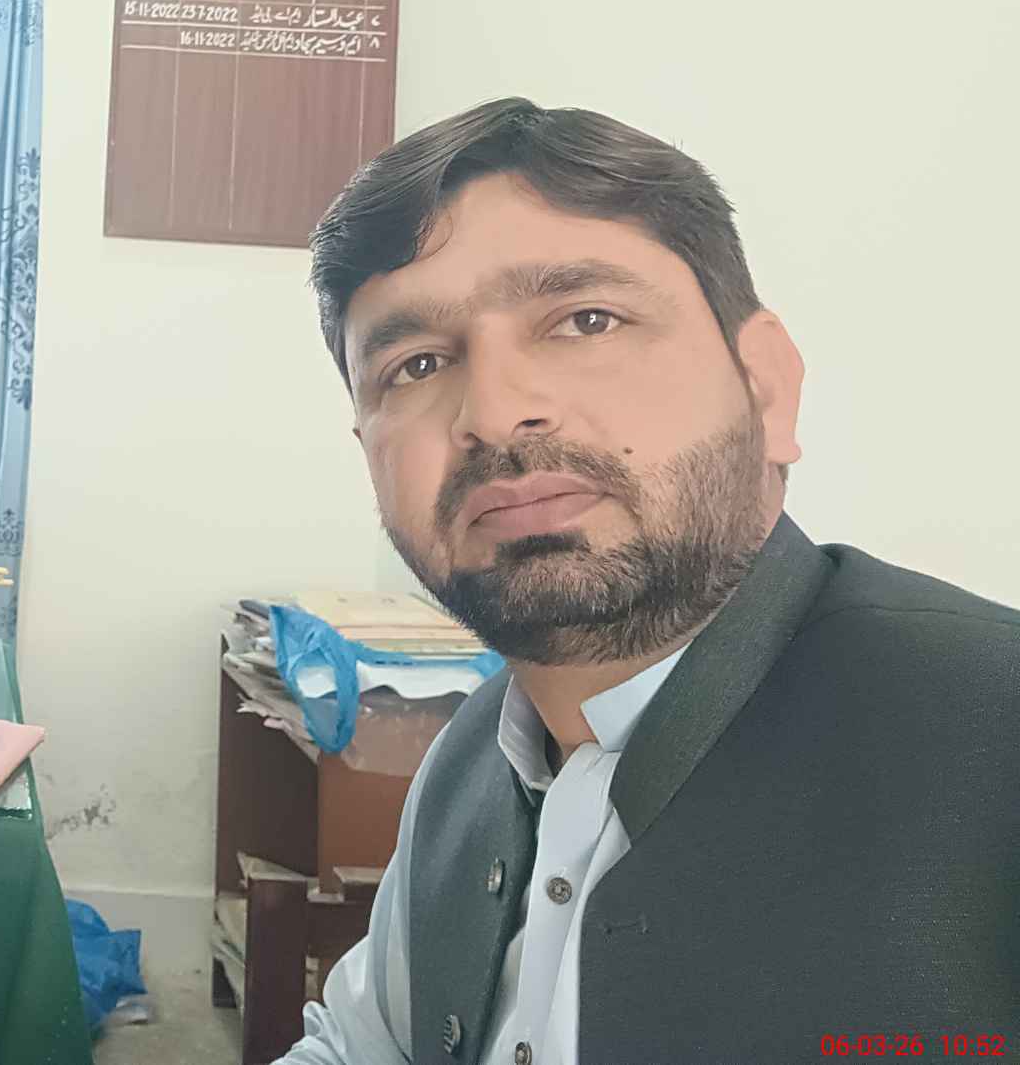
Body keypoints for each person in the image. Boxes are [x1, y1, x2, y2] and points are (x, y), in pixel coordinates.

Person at [285, 100, 1018, 1063]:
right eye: (416, 365)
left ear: (766, 387)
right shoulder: (467, 762)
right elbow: (362, 1045)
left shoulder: (995, 741)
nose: (495, 413)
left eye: (586, 320)